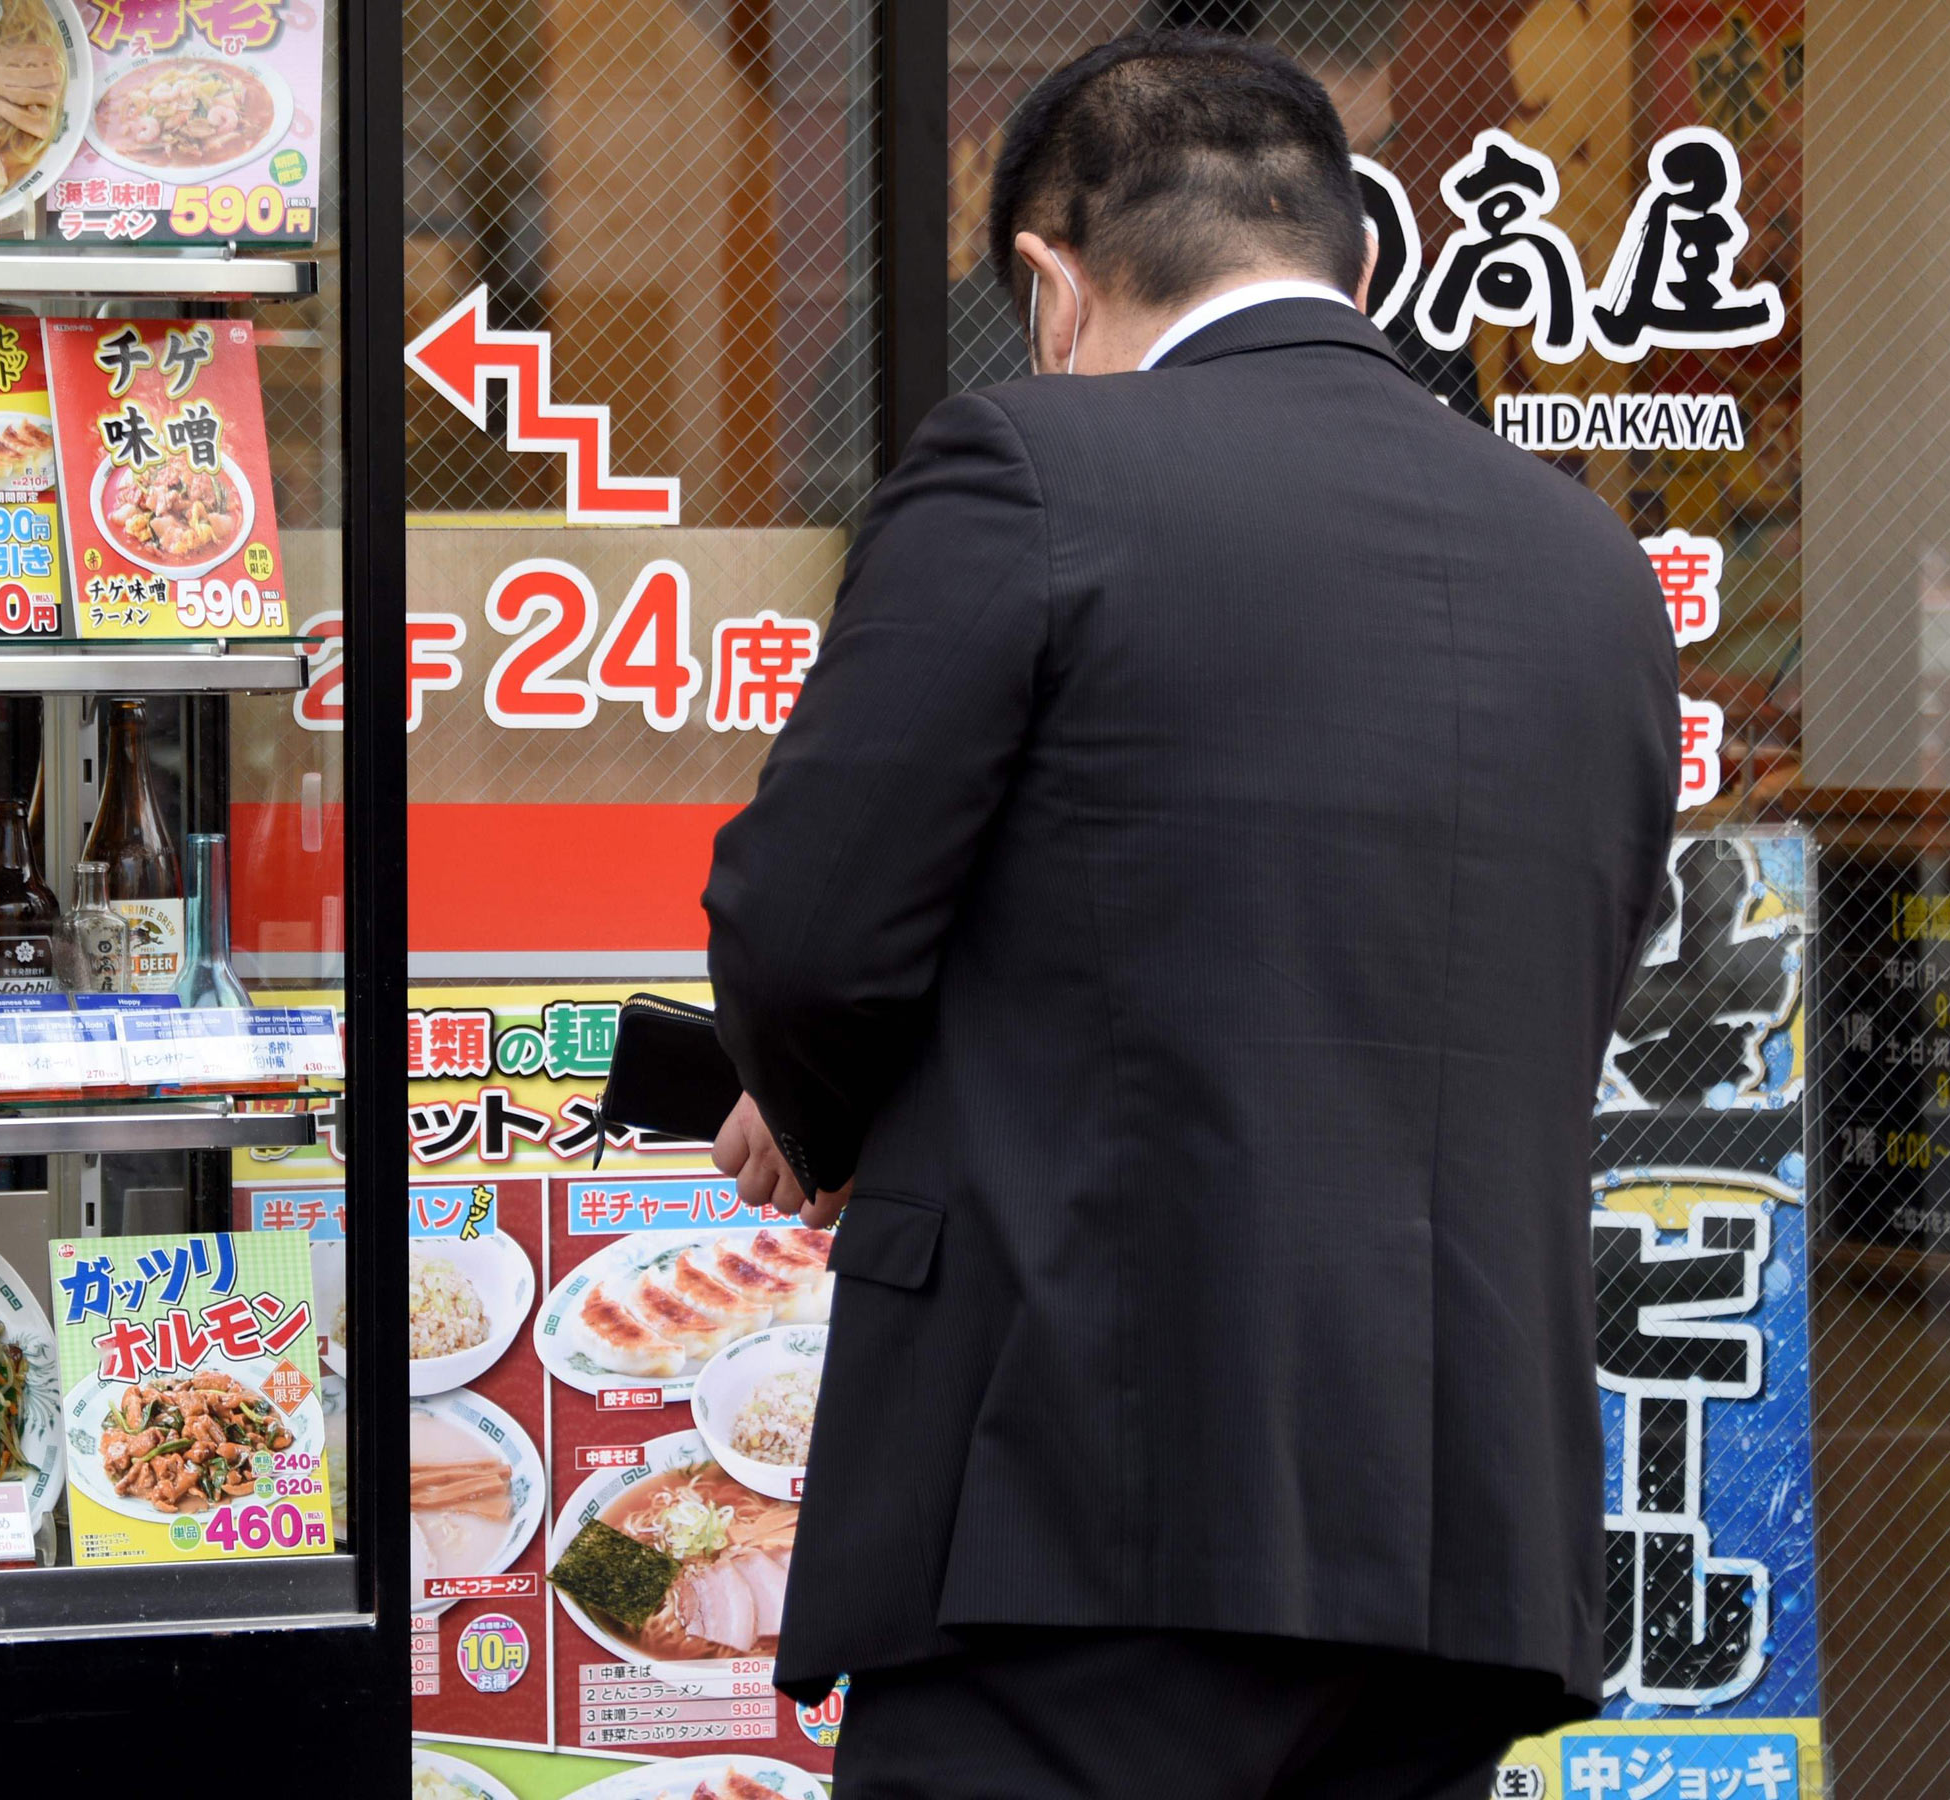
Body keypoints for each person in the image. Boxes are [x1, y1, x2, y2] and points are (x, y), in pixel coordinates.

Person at [699, 29, 1679, 1800]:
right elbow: (1576, 975)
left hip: (1087, 1501)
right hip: (1459, 1545)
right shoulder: (1586, 564)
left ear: (1049, 281)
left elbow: (808, 924)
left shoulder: (1034, 466)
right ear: (1349, 253)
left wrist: (817, 1117)